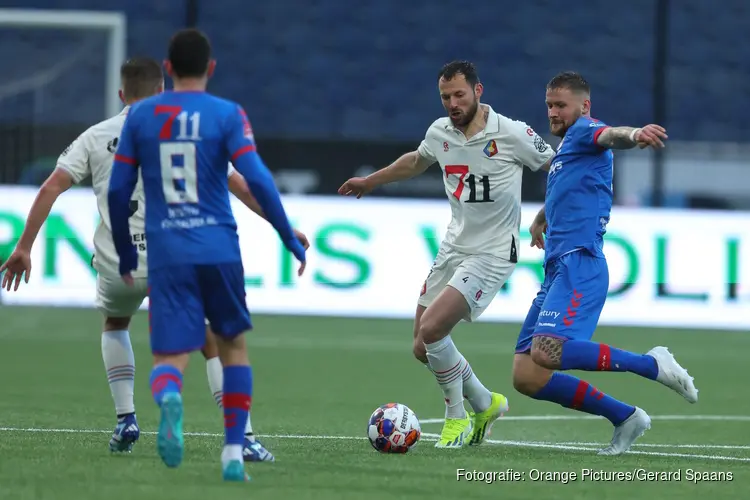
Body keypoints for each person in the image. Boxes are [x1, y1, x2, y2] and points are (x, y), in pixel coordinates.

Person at [0, 57, 303, 463]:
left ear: (122, 94)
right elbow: (240, 186)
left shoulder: (95, 136)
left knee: (115, 322)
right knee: (212, 342)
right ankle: (243, 437)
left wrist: (23, 247)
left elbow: (52, 187)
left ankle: (126, 417)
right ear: (162, 91)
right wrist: (282, 224)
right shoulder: (185, 131)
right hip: (172, 257)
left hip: (115, 262)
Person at [107, 29, 305, 482]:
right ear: (210, 68)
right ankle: (234, 452)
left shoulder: (139, 117)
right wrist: (285, 234)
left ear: (168, 69)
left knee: (170, 357)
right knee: (232, 346)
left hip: (167, 252)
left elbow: (120, 191)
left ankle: (169, 396)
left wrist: (123, 249)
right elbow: (256, 177)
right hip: (218, 247)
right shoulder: (227, 115)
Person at [338, 61, 555, 448]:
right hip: (454, 247)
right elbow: (417, 160)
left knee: (434, 329)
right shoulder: (440, 132)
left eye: (459, 95)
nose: (452, 103)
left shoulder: (512, 133)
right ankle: (486, 404)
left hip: (492, 253)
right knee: (422, 346)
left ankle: (456, 419)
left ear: (478, 91)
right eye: (445, 97)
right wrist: (370, 181)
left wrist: (543, 217)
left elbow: (557, 166)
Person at [512, 71, 698, 456]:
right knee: (527, 376)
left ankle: (650, 364)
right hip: (557, 268)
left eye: (560, 105)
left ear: (584, 106)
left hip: (581, 264)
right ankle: (626, 417)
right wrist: (542, 218)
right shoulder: (566, 151)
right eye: (549, 105)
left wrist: (634, 134)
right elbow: (572, 188)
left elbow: (611, 135)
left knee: (547, 351)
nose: (553, 112)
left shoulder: (585, 130)